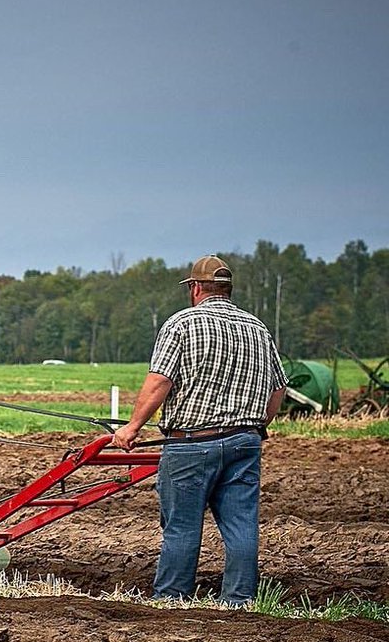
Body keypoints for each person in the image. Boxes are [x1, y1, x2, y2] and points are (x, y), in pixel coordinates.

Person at [111, 254, 287, 606]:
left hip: (191, 443)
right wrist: (256, 424)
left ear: (194, 288)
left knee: (182, 527)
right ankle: (239, 601)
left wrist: (131, 428)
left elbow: (160, 381)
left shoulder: (181, 325)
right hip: (244, 442)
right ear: (228, 289)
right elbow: (279, 388)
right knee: (241, 525)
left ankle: (171, 600)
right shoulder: (257, 328)